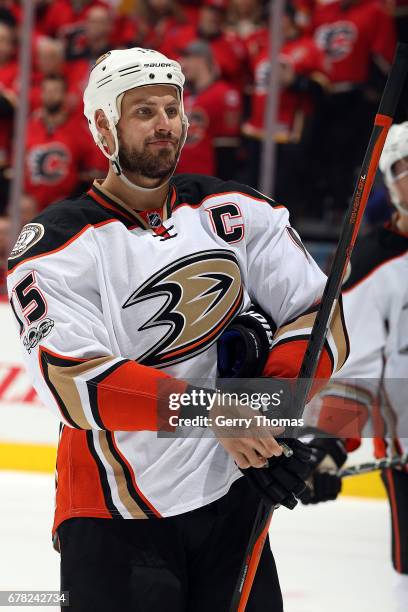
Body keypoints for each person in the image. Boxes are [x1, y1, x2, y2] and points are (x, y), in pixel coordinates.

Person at [8, 47, 348, 611]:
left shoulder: (233, 210)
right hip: (115, 513)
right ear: (101, 126)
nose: (165, 122)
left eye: (172, 107)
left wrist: (269, 408)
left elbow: (320, 316)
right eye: (143, 111)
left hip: (232, 496)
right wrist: (217, 414)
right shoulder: (58, 246)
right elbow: (77, 381)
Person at [307, 122, 408, 612]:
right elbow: (355, 377)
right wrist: (329, 444)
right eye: (405, 169)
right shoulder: (372, 265)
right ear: (389, 183)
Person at [24, 74, 107, 211]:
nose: (50, 95)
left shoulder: (78, 130)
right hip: (30, 205)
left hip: (66, 206)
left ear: (65, 95)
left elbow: (94, 171)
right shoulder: (29, 127)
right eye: (47, 91)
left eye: (55, 91)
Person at [177, 40, 242, 179]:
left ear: (200, 60)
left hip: (207, 183)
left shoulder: (223, 94)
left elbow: (227, 149)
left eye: (186, 58)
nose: (182, 64)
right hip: (181, 179)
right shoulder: (185, 94)